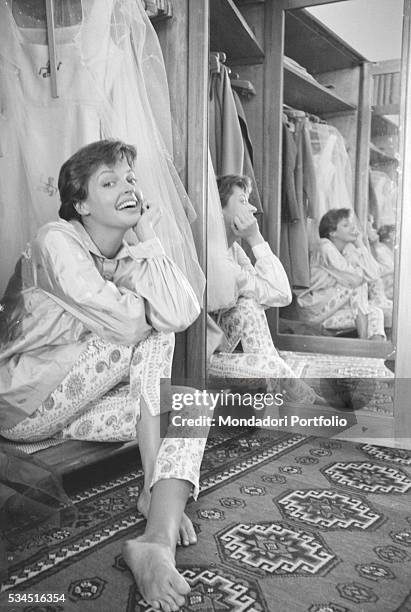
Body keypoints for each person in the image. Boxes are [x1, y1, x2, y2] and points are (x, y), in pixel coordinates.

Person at [0, 139, 208, 611]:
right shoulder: (55, 241)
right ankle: (156, 487)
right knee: (152, 333)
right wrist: (145, 301)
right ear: (80, 203)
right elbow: (136, 325)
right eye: (110, 181)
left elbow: (184, 308)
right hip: (22, 403)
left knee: (192, 404)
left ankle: (155, 540)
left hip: (76, 407)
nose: (128, 187)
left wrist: (148, 238)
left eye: (131, 179)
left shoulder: (126, 255)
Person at [207, 174, 322, 405]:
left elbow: (280, 294)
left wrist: (254, 238)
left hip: (219, 344)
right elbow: (275, 292)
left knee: (249, 305)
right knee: (270, 363)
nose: (252, 207)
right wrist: (254, 236)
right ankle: (305, 399)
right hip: (201, 357)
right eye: (242, 201)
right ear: (218, 209)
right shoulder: (215, 256)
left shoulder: (235, 251)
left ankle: (292, 395)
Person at [297, 208, 386, 339]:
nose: (352, 228)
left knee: (375, 313)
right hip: (314, 310)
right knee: (358, 284)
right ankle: (364, 343)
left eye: (351, 224)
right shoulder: (324, 247)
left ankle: (375, 354)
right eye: (345, 225)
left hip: (330, 312)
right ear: (332, 232)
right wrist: (360, 257)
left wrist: (360, 244)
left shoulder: (347, 250)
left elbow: (375, 274)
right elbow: (356, 280)